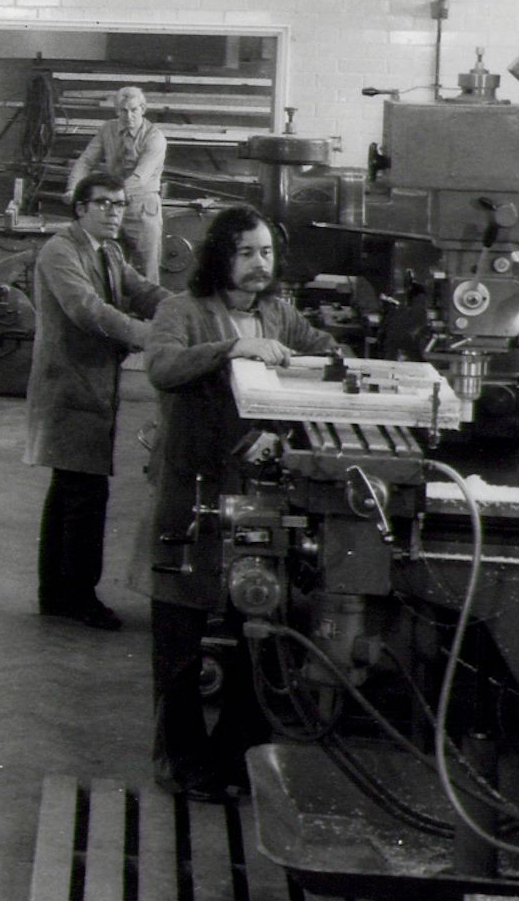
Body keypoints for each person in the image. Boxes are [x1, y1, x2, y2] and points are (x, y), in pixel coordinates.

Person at [139, 206, 317, 801]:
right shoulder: (182, 311)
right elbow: (160, 365)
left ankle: (240, 758)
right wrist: (230, 351)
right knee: (179, 639)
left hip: (254, 495)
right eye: (246, 252)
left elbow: (322, 352)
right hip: (191, 492)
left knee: (256, 633)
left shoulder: (278, 314)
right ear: (220, 256)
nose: (258, 263)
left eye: (266, 252)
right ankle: (182, 762)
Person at [27, 173, 167, 631]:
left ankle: (55, 594)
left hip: (91, 384)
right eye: (104, 203)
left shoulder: (108, 250)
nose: (114, 212)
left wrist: (186, 307)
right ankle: (80, 597)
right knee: (84, 493)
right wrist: (148, 335)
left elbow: (140, 290)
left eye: (120, 204)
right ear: (80, 208)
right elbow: (87, 309)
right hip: (68, 386)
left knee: (70, 490)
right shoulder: (61, 251)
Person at [67, 85, 168, 281]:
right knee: (109, 265)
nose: (128, 116)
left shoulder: (155, 138)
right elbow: (86, 161)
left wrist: (106, 197)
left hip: (141, 207)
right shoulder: (107, 130)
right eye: (123, 110)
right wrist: (74, 189)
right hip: (112, 205)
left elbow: (139, 178)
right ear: (116, 111)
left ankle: (148, 311)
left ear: (143, 109)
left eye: (134, 110)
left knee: (146, 271)